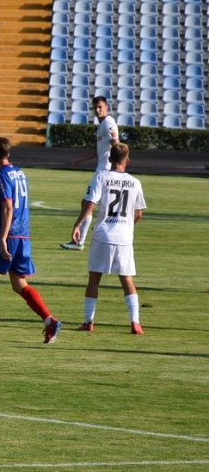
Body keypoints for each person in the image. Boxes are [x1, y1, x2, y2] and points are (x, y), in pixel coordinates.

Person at [0, 138, 62, 343]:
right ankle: (49, 321)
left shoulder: (1, 175)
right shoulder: (20, 173)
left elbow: (8, 207)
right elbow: (11, 203)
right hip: (23, 235)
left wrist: (3, 239)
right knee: (19, 283)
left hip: (5, 233)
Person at [70, 143, 146, 334]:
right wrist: (127, 226)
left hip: (103, 234)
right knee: (127, 280)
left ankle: (88, 321)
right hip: (124, 237)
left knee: (94, 279)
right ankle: (135, 322)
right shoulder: (135, 182)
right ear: (127, 160)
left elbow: (89, 204)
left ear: (109, 159)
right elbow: (138, 214)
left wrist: (77, 225)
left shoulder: (101, 177)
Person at [61, 95, 119, 250]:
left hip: (104, 172)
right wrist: (82, 158)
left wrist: (116, 168)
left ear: (106, 107)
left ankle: (78, 241)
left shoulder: (107, 123)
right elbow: (99, 150)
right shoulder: (102, 125)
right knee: (90, 204)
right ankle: (84, 241)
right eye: (95, 107)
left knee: (88, 203)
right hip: (103, 169)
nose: (97, 110)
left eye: (100, 107)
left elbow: (116, 146)